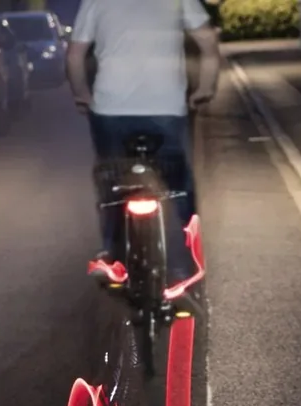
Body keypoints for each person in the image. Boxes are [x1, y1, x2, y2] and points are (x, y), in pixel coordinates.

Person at [66, 0, 219, 272]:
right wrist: (204, 88)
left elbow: (75, 55)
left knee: (111, 183)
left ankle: (112, 254)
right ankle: (186, 264)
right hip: (166, 110)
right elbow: (208, 45)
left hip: (111, 112)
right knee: (179, 185)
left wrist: (81, 95)